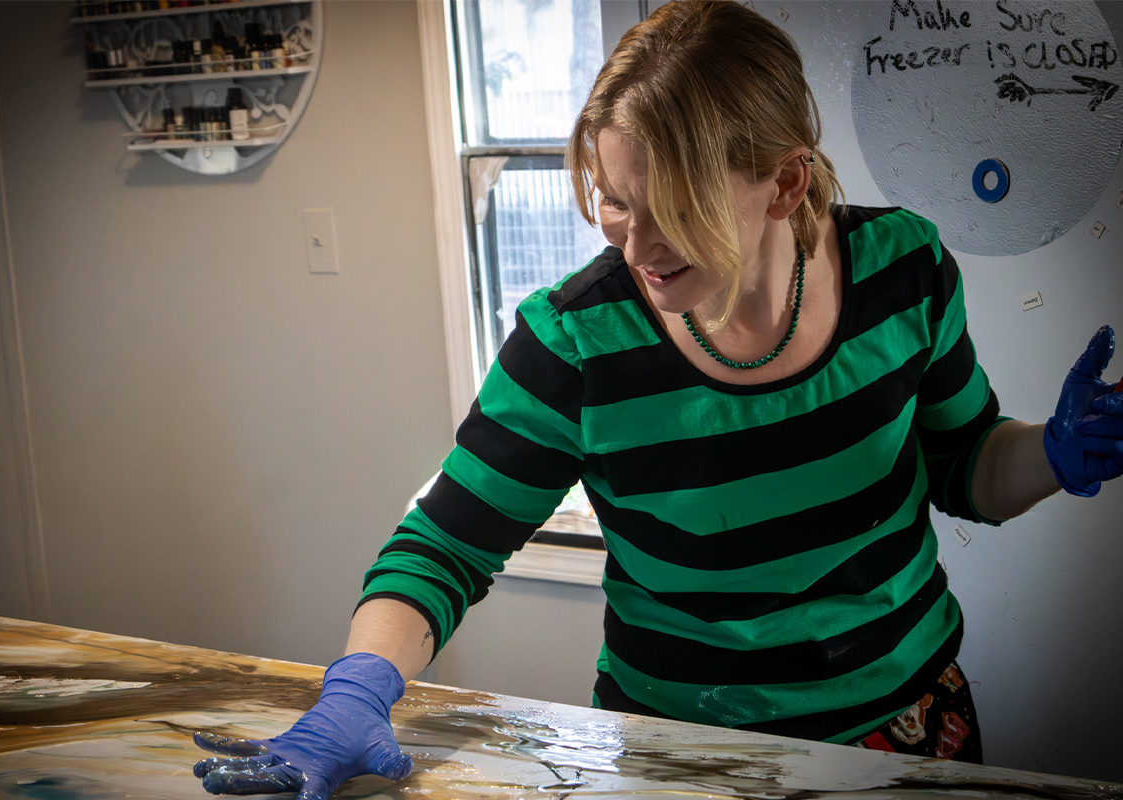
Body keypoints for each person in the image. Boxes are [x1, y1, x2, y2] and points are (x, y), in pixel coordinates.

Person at [192, 1, 1123, 796]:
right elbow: (441, 545)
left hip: (908, 730)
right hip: (678, 755)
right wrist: (356, 689)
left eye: (672, 204)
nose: (635, 245)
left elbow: (967, 467)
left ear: (784, 182)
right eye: (612, 201)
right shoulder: (575, 344)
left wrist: (1049, 453)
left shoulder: (905, 271)